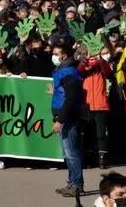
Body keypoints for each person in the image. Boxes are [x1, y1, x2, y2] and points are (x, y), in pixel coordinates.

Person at [52, 42, 85, 197]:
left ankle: (77, 185)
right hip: (65, 116)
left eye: (56, 54)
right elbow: (64, 92)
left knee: (72, 153)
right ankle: (72, 182)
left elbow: (71, 98)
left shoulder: (69, 72)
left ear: (64, 55)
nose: (54, 56)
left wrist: (60, 120)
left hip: (69, 118)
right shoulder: (63, 71)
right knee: (68, 152)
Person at [80, 44, 113, 169]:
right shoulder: (86, 69)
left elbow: (109, 73)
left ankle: (102, 159)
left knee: (101, 134)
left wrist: (100, 60)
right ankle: (89, 159)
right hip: (87, 105)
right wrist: (85, 60)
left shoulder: (102, 68)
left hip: (101, 105)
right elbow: (79, 71)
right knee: (88, 134)